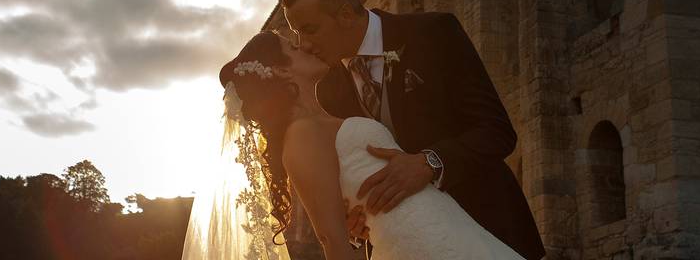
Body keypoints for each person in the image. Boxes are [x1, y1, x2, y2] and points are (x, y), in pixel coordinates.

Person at [281, 0, 545, 260]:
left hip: (488, 229)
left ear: (344, 15)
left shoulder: (433, 33)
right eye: (296, 33)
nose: (303, 44)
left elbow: (497, 131)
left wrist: (430, 162)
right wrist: (357, 226)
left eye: (309, 29)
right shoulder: (329, 90)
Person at [206, 30, 526, 260]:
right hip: (418, 242)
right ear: (280, 69)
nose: (304, 45)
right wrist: (357, 235)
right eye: (293, 46)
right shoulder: (301, 134)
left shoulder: (329, 116)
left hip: (446, 223)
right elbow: (332, 238)